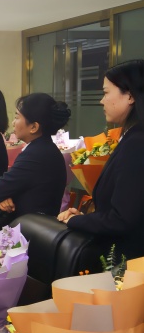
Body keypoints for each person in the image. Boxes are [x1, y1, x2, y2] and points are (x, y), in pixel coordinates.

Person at [59, 60, 144, 259]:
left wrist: (75, 221)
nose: (101, 101)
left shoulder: (137, 143)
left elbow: (123, 219)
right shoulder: (131, 137)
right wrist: (88, 219)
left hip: (128, 259)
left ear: (130, 96)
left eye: (106, 93)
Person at [0, 93, 70, 217]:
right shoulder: (46, 149)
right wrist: (2, 196)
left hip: (28, 227)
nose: (13, 123)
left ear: (33, 127)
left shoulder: (34, 155)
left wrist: (0, 196)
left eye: (17, 117)